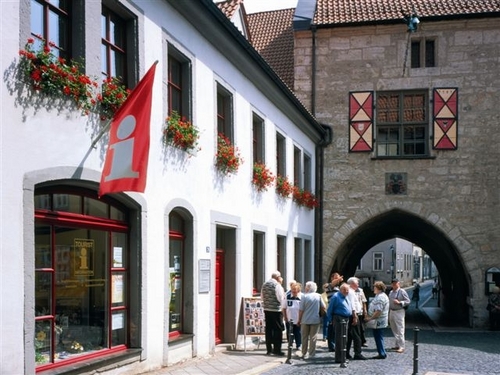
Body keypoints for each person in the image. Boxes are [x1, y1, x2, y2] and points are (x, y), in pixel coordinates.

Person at [297, 281, 325, 359]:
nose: (305, 288)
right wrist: (321, 315)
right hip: (315, 319)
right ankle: (312, 354)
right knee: (313, 337)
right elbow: (323, 307)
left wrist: (299, 319)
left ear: (309, 288)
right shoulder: (318, 296)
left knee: (304, 337)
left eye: (306, 286)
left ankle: (304, 353)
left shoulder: (304, 297)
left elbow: (301, 310)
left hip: (305, 319)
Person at [261, 271, 286, 356]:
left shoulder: (265, 284)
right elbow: (281, 298)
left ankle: (269, 349)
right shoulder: (277, 285)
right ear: (278, 277)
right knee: (277, 330)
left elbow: (262, 296)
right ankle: (277, 349)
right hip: (276, 310)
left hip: (267, 309)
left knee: (268, 329)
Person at [326, 283, 352, 364]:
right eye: (344, 289)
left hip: (346, 319)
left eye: (347, 290)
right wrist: (330, 320)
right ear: (340, 290)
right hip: (339, 318)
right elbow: (330, 309)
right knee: (340, 339)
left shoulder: (346, 296)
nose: (346, 291)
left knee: (345, 339)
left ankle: (343, 357)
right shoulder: (336, 297)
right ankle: (339, 358)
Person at [364, 281, 389, 359]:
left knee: (378, 337)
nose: (373, 288)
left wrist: (370, 318)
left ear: (378, 288)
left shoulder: (380, 298)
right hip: (380, 321)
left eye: (374, 287)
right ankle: (382, 352)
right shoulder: (380, 296)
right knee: (378, 337)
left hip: (378, 321)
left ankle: (382, 353)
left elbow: (378, 311)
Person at [346, 277, 367, 360]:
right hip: (354, 315)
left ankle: (347, 353)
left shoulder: (353, 291)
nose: (358, 284)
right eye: (356, 283)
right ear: (351, 284)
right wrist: (355, 316)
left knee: (350, 335)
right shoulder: (351, 292)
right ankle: (357, 353)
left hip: (356, 314)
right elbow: (353, 305)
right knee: (357, 335)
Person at [388, 278, 410, 353]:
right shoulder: (391, 292)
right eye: (393, 283)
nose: (394, 284)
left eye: (395, 283)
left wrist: (400, 302)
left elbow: (408, 301)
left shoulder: (402, 291)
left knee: (400, 329)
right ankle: (397, 344)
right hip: (392, 311)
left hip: (399, 311)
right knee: (394, 328)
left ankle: (402, 346)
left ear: (398, 283)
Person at [324, 272, 343, 352]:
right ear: (332, 278)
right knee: (331, 328)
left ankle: (335, 344)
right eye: (335, 278)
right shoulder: (328, 286)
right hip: (332, 310)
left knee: (336, 329)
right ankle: (331, 345)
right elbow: (332, 284)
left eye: (338, 278)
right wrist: (339, 278)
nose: (337, 280)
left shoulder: (338, 288)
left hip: (338, 310)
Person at [282, 282, 302, 350]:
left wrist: (300, 319)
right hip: (289, 318)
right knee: (289, 332)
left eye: (295, 289)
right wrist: (285, 317)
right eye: (292, 289)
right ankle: (290, 344)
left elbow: (302, 309)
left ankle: (298, 344)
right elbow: (284, 308)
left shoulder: (302, 297)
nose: (293, 291)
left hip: (298, 318)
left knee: (298, 333)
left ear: (298, 290)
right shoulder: (287, 296)